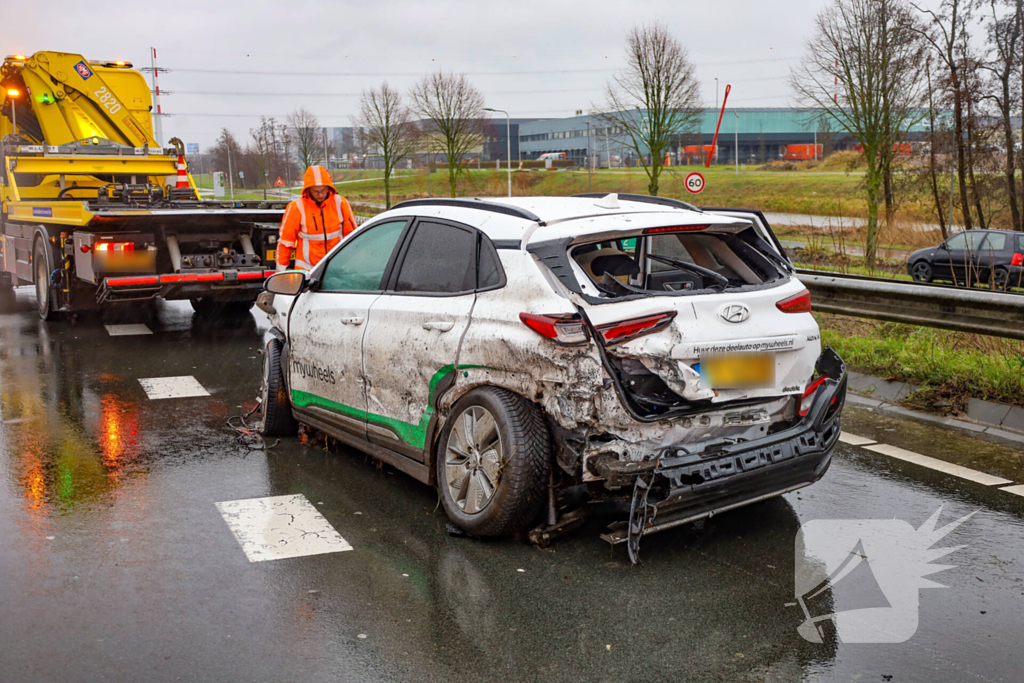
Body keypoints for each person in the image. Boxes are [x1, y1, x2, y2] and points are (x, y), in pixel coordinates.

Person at [275, 165, 358, 271]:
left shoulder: (341, 203)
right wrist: (279, 273)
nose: (320, 195)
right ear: (308, 190)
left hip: (336, 267)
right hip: (307, 269)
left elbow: (352, 238)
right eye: (316, 191)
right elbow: (285, 243)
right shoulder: (296, 207)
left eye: (324, 190)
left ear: (329, 188)